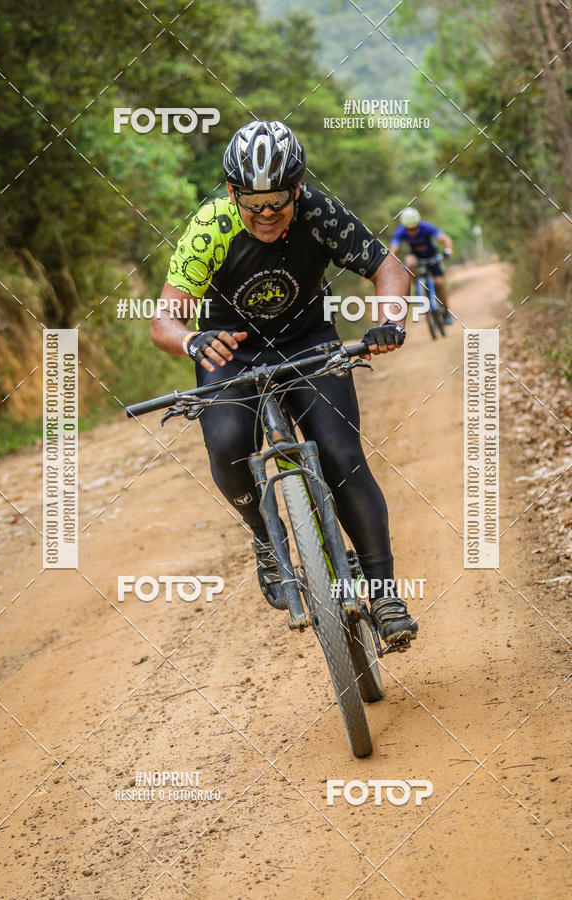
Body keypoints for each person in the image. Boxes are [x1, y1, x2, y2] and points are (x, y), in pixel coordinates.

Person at [150, 120, 418, 646]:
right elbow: (164, 321)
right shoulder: (211, 227)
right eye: (253, 204)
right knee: (227, 446)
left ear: (297, 188)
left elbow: (389, 269)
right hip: (229, 350)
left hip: (308, 343)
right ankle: (267, 542)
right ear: (232, 192)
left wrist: (390, 320)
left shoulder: (320, 213)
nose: (267, 215)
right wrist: (191, 342)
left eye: (278, 202)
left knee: (341, 455)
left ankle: (384, 591)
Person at [390, 207, 455, 323]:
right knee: (409, 262)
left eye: (414, 227)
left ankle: (446, 311)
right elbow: (394, 248)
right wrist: (391, 260)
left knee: (440, 283)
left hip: (432, 256)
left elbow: (445, 239)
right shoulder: (401, 231)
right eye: (409, 228)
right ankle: (418, 286)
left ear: (418, 223)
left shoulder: (427, 227)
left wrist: (448, 249)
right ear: (404, 226)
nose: (412, 231)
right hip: (417, 258)